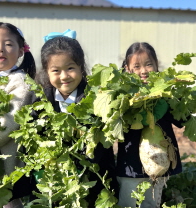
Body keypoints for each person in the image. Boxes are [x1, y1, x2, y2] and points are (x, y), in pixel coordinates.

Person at [33, 30, 118, 207]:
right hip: (54, 183)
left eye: (70, 68)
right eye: (56, 71)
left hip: (94, 179)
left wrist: (77, 163)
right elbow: (33, 134)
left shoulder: (95, 99)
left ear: (81, 66)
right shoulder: (41, 100)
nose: (64, 76)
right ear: (47, 72)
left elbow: (100, 145)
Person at [116, 42, 183, 208]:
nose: (144, 71)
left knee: (151, 203)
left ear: (156, 65)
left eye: (148, 64)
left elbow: (181, 120)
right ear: (127, 68)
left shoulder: (166, 91)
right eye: (136, 66)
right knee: (128, 202)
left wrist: (177, 98)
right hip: (130, 165)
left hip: (159, 163)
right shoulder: (122, 94)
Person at [0, 22, 36, 208]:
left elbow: (5, 127)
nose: (0, 49)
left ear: (21, 51)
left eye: (8, 44)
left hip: (7, 170)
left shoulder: (21, 84)